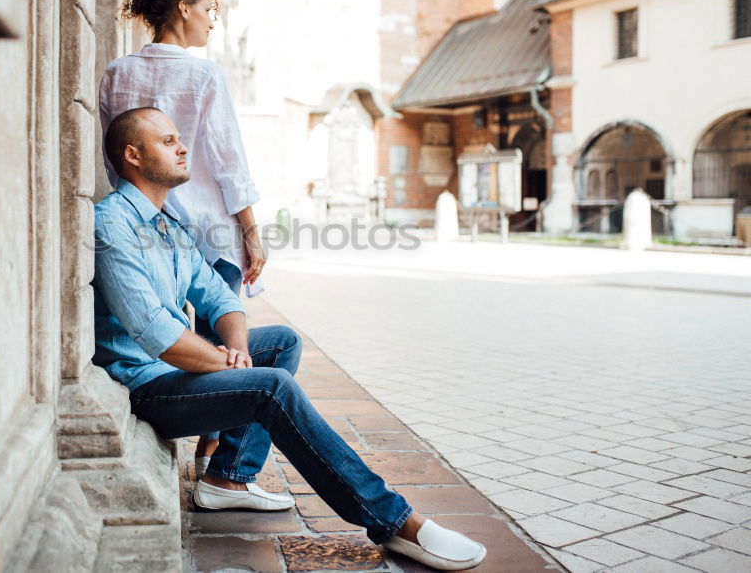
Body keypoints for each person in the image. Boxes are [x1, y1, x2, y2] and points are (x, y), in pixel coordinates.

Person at [92, 107, 487, 571]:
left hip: (176, 369)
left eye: (179, 138)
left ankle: (229, 478)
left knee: (280, 342)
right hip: (147, 384)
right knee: (271, 386)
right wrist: (232, 366)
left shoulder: (167, 225)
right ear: (133, 155)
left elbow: (223, 301)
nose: (182, 147)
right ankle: (396, 522)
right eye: (167, 141)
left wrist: (236, 350)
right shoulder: (113, 224)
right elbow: (158, 335)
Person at [98, 0, 264, 475]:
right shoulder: (206, 75)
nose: (213, 19)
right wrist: (252, 233)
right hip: (210, 233)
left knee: (191, 347)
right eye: (208, 7)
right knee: (226, 349)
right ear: (181, 8)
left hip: (149, 219)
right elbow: (228, 159)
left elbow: (114, 154)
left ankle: (213, 462)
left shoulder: (116, 73)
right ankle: (220, 467)